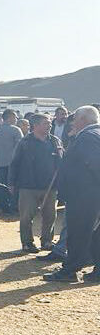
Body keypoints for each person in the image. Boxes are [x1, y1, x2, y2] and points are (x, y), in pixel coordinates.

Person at [46, 105, 100, 283]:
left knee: (78, 233)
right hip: (90, 195)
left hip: (84, 196)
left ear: (84, 119)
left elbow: (95, 165)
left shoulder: (88, 137)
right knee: (94, 233)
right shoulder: (95, 134)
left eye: (75, 118)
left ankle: (70, 271)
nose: (72, 122)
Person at [8, 114, 62, 253]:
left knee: (50, 215)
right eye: (46, 123)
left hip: (50, 187)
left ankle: (47, 241)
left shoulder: (55, 141)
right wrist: (11, 183)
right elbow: (14, 164)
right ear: (35, 125)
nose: (49, 125)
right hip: (28, 186)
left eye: (50, 123)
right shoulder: (24, 142)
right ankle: (27, 243)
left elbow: (62, 162)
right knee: (26, 217)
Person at [0, 109, 23, 214]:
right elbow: (21, 148)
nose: (16, 119)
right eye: (15, 117)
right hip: (14, 164)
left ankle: (4, 207)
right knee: (15, 186)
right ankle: (15, 207)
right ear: (10, 117)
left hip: (0, 164)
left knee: (2, 186)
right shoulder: (16, 130)